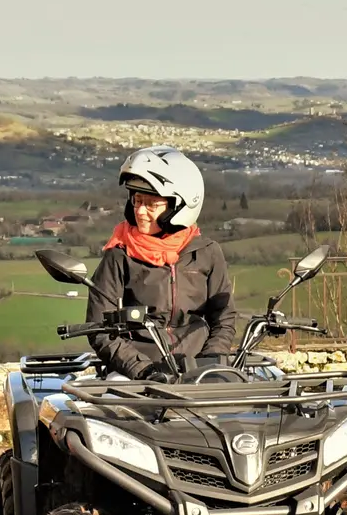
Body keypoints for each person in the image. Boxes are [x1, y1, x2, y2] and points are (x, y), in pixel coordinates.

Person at [86, 146, 237, 379]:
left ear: (178, 205)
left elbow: (223, 317)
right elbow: (101, 330)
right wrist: (142, 370)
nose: (140, 211)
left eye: (151, 204)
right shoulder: (118, 255)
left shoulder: (207, 253)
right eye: (137, 200)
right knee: (116, 409)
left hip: (199, 367)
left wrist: (211, 361)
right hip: (135, 372)